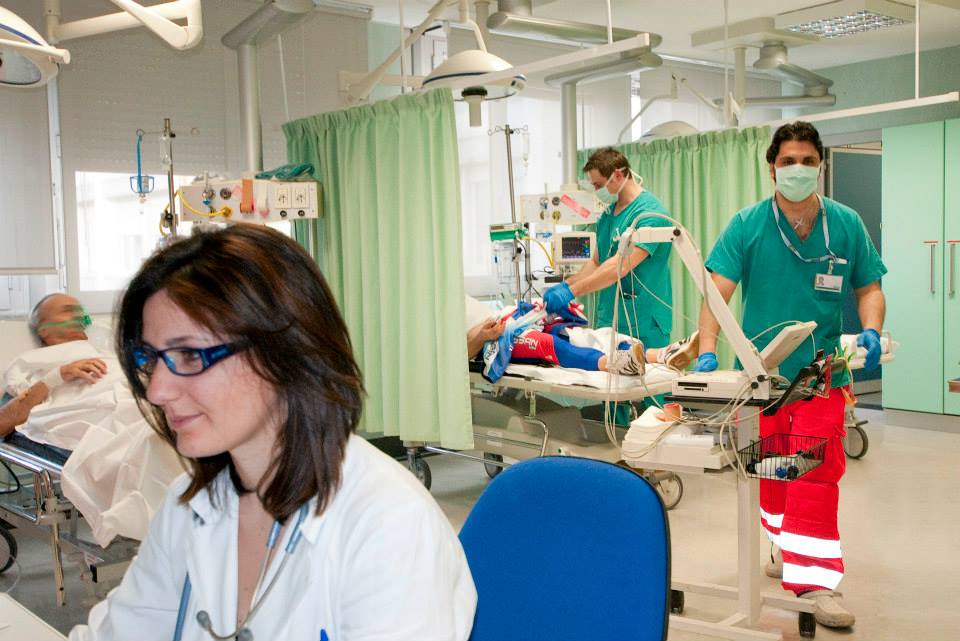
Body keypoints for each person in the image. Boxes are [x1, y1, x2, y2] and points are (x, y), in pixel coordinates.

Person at [69, 225, 476, 641]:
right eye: (151, 358)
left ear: (284, 352)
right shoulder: (187, 507)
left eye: (189, 354)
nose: (157, 390)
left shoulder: (387, 526)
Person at [693, 121, 887, 629]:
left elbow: (869, 287)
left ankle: (816, 583)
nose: (797, 169)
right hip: (763, 378)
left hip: (824, 372)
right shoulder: (747, 225)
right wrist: (707, 351)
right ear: (771, 168)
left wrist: (871, 328)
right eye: (787, 161)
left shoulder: (845, 224)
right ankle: (783, 544)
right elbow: (716, 294)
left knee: (815, 472)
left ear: (820, 165)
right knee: (772, 473)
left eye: (807, 161)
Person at [541, 148, 674, 351]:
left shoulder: (650, 214)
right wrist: (566, 285)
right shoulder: (607, 216)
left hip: (643, 321)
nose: (596, 191)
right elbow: (596, 262)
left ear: (618, 175)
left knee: (645, 369)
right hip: (610, 320)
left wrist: (572, 291)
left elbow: (619, 266)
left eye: (598, 185)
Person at [464, 295, 698, 376]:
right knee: (547, 344)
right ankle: (615, 364)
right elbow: (461, 355)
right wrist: (482, 337)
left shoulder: (454, 294)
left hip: (510, 319)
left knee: (581, 336)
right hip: (493, 342)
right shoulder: (444, 321)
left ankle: (661, 354)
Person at [0, 294, 107, 436]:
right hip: (98, 414)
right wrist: (58, 375)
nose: (78, 315)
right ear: (44, 330)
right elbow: (3, 422)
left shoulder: (104, 349)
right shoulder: (29, 361)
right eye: (67, 310)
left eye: (79, 310)